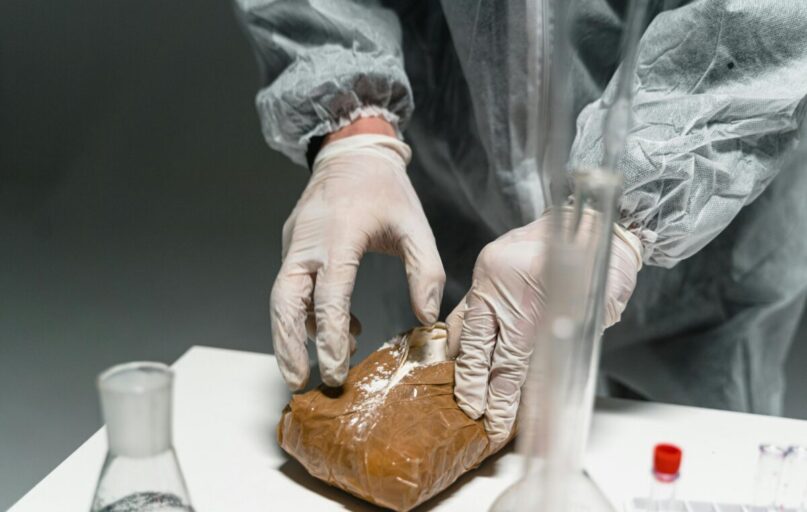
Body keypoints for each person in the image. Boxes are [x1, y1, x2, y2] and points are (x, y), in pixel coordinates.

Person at [235, 0, 807, 449]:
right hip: (462, 220)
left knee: (704, 467)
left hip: (703, 235)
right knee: (430, 436)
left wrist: (626, 206)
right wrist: (353, 135)